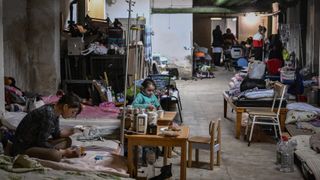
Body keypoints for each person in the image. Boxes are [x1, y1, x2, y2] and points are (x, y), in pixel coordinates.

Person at [11, 93, 83, 162]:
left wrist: (74, 130)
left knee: (67, 141)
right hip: (25, 148)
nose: (73, 115)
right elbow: (41, 142)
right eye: (73, 112)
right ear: (65, 107)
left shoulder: (55, 110)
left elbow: (56, 134)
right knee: (56, 155)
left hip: (36, 142)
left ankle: (58, 152)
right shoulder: (48, 114)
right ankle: (59, 153)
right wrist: (63, 152)